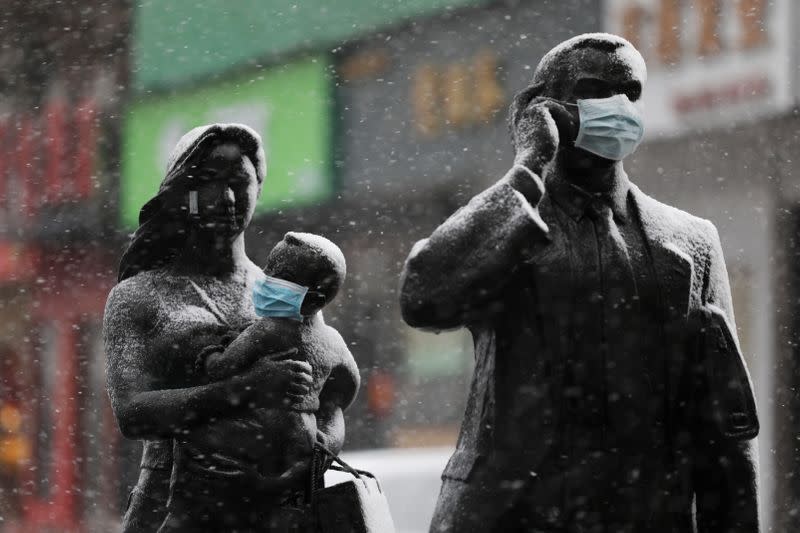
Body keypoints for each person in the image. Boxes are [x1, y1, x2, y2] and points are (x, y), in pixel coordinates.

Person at [399, 33, 759, 533]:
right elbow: (423, 297)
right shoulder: (509, 221)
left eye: (630, 93)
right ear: (543, 105)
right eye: (595, 91)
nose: (617, 106)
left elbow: (726, 427)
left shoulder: (692, 242)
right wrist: (528, 166)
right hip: (511, 517)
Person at [104, 124, 318, 532]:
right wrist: (244, 391)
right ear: (182, 193)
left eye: (240, 183)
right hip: (172, 509)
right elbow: (133, 414)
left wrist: (311, 452)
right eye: (208, 185)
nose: (226, 200)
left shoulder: (282, 293)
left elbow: (327, 392)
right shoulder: (139, 295)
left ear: (259, 187)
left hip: (270, 510)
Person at [160, 231, 359, 531]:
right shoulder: (332, 342)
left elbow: (222, 368)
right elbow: (348, 388)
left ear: (315, 295)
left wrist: (210, 353)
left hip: (249, 459)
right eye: (269, 268)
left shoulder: (268, 330)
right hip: (300, 445)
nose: (266, 278)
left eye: (281, 274)